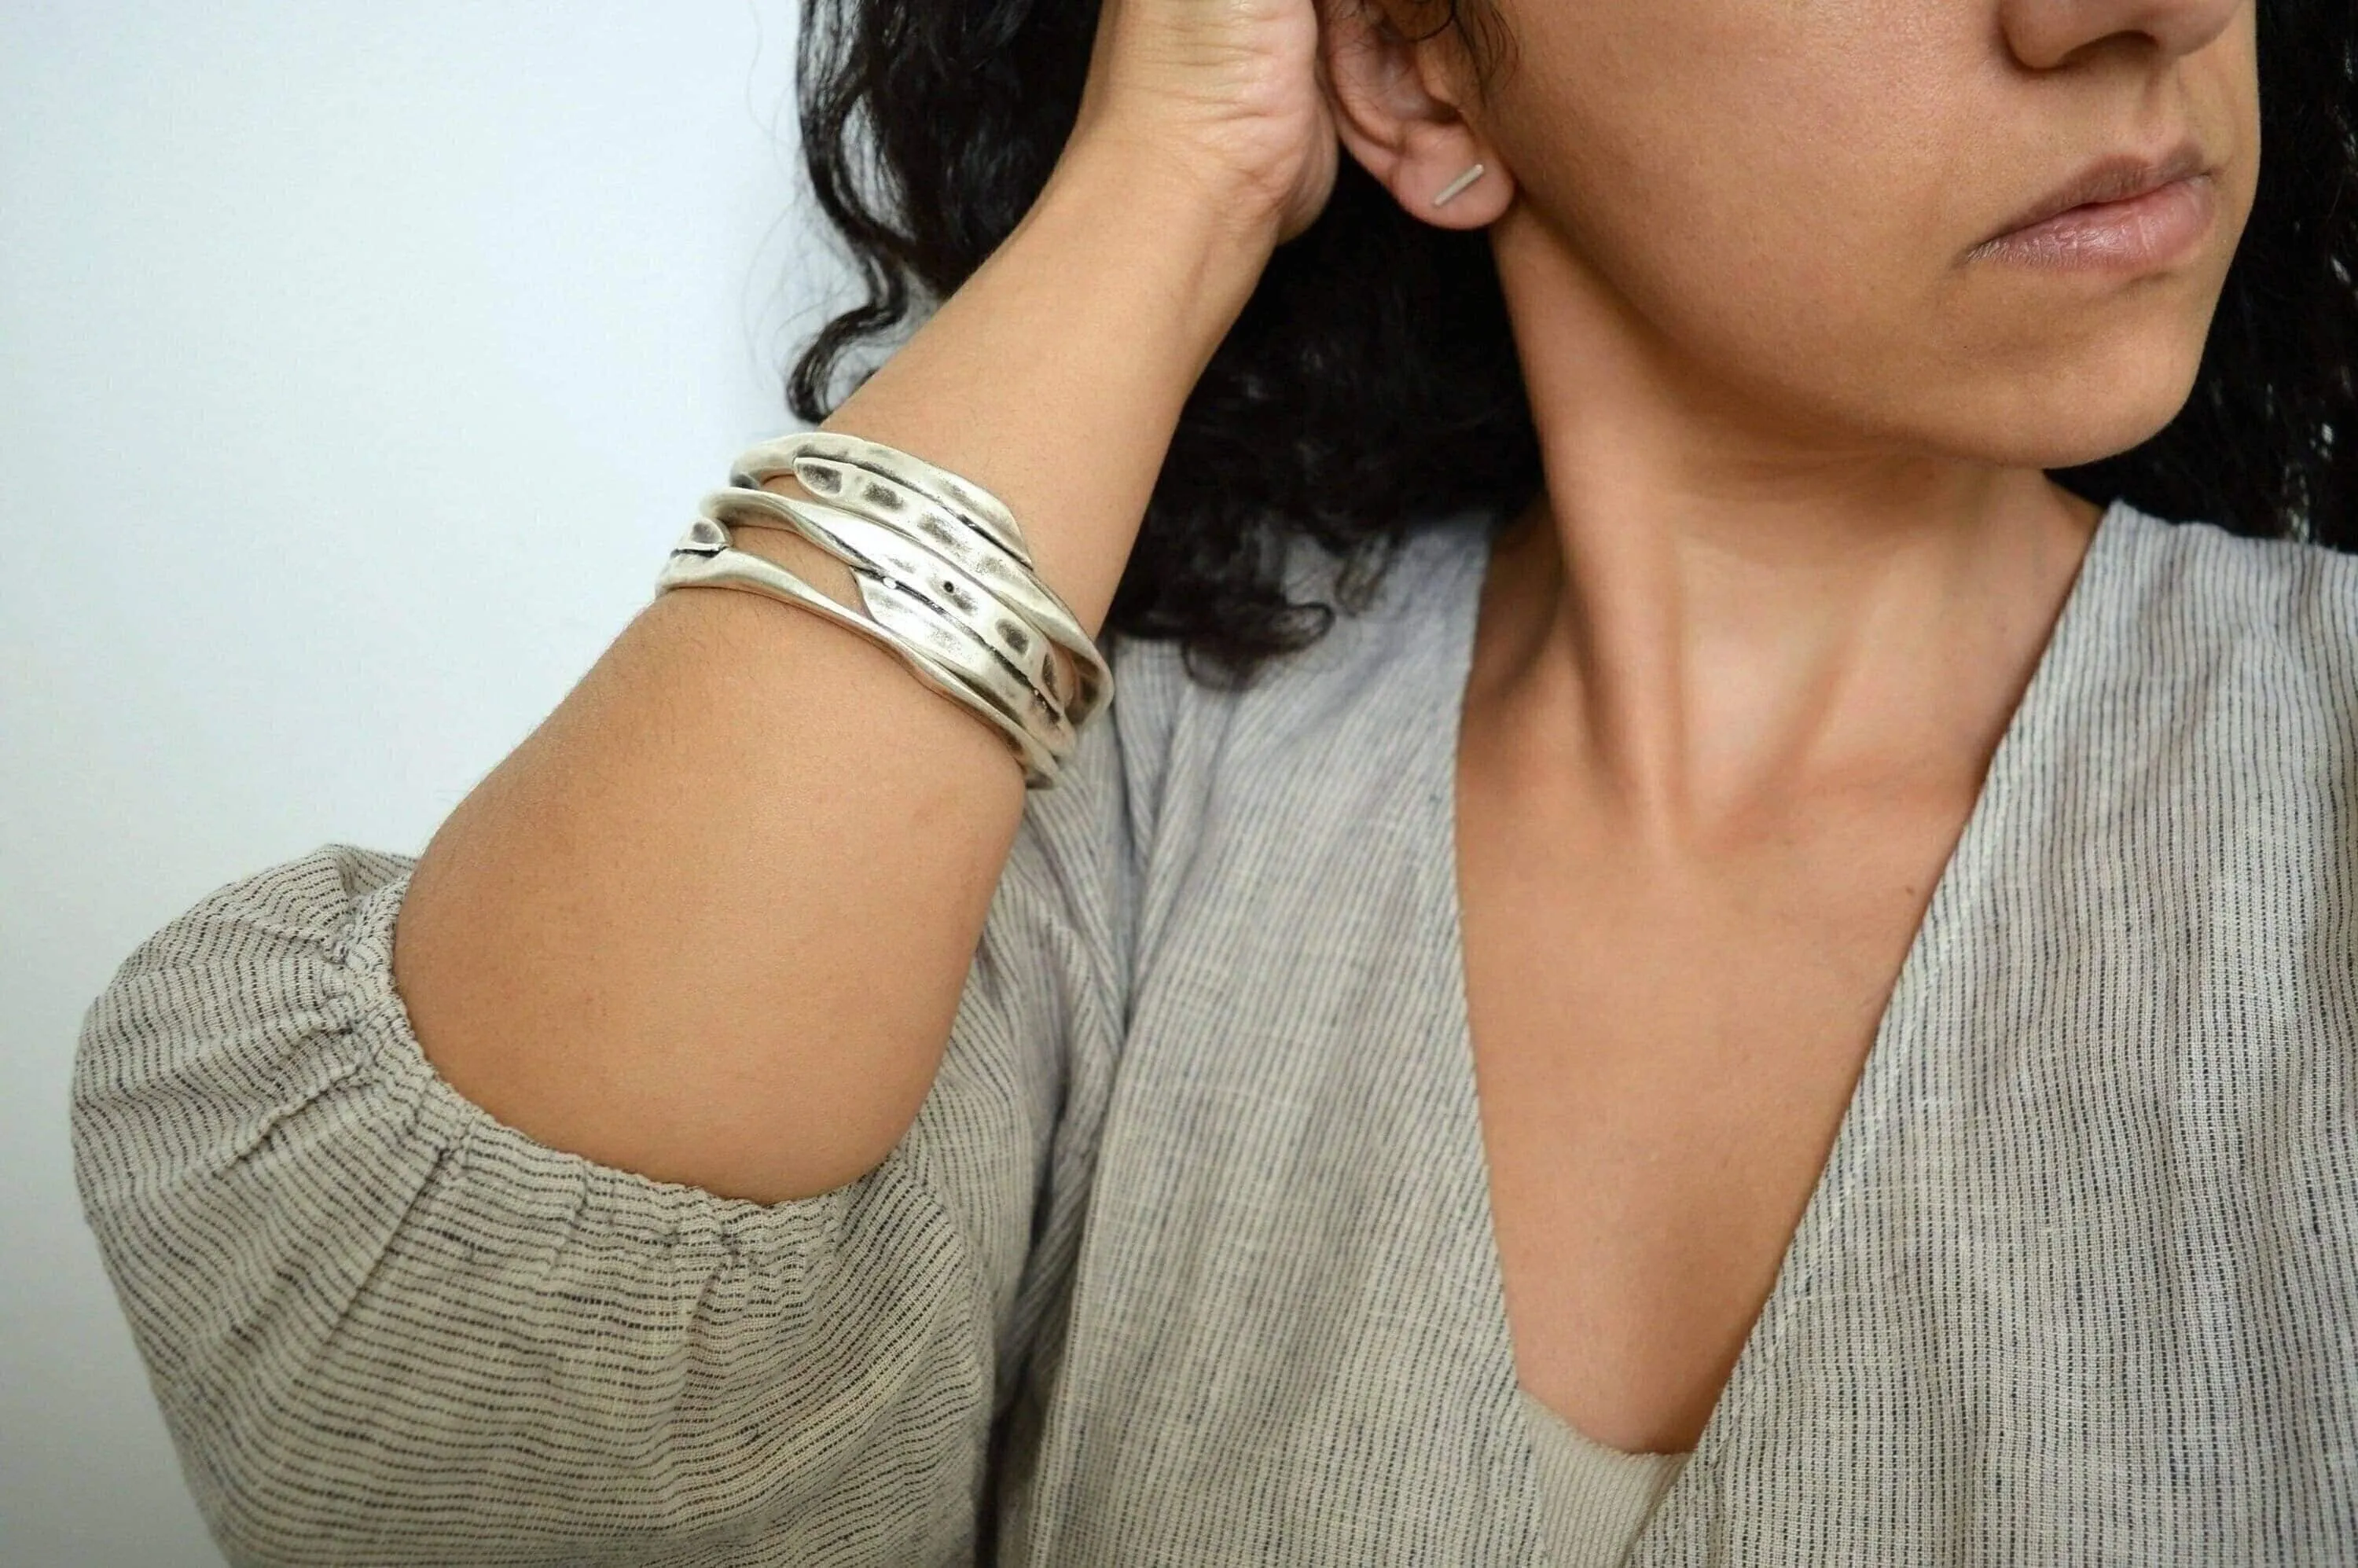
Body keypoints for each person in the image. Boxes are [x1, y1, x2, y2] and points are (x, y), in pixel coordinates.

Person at [69, 0, 2358, 1561]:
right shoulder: (1061, 845)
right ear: (1420, 73)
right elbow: (453, 1417)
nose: (2127, 5)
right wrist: (1174, 178)